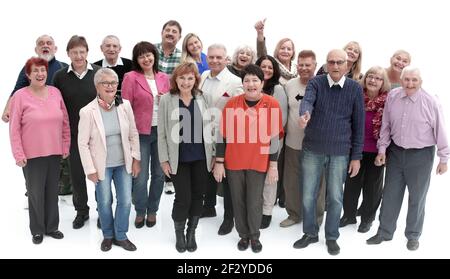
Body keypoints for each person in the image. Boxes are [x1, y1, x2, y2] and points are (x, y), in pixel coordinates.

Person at [366, 66, 449, 251]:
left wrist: (444, 158)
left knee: (417, 197)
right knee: (390, 194)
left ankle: (413, 235)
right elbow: (386, 125)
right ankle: (384, 231)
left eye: (414, 80)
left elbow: (441, 131)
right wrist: (382, 150)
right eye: (407, 80)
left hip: (421, 155)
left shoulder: (431, 102)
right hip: (395, 152)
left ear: (420, 82)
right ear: (401, 80)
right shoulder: (393, 96)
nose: (410, 84)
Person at [294, 49, 364, 256]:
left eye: (339, 62)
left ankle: (331, 236)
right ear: (326, 64)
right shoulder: (316, 83)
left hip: (340, 152)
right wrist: (304, 114)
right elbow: (308, 101)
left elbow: (358, 125)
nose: (335, 66)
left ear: (347, 66)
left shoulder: (354, 89)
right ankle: (310, 233)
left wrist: (356, 157)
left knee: (335, 197)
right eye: (331, 62)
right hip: (313, 149)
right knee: (308, 195)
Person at [213, 64, 284, 253]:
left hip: (258, 161)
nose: (251, 84)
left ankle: (254, 236)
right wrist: (219, 162)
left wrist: (273, 165)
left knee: (254, 200)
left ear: (262, 83)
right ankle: (242, 235)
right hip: (234, 161)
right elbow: (223, 136)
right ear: (242, 83)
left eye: (255, 80)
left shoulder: (272, 104)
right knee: (238, 200)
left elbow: (274, 138)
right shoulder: (232, 104)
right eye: (247, 80)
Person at [78, 68, 141, 252]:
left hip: (124, 164)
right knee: (104, 202)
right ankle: (107, 235)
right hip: (101, 166)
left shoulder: (125, 105)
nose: (111, 86)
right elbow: (82, 144)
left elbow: (133, 133)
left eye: (114, 83)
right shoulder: (87, 111)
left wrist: (136, 158)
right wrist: (90, 169)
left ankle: (120, 236)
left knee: (126, 201)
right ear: (97, 86)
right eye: (106, 83)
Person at [9, 57, 70, 244]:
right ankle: (37, 229)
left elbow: (65, 121)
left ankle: (52, 227)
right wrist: (18, 154)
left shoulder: (55, 92)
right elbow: (14, 128)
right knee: (35, 193)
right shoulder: (19, 96)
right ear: (28, 75)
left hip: (54, 151)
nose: (40, 74)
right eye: (35, 71)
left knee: (53, 191)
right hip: (31, 155)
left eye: (43, 70)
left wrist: (65, 145)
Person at [2, 35, 71, 197]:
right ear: (36, 49)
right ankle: (33, 192)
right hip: (36, 126)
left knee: (62, 162)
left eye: (49, 43)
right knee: (35, 166)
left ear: (55, 48)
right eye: (41, 44)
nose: (45, 46)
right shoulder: (28, 69)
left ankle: (64, 192)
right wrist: (7, 109)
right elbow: (17, 90)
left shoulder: (64, 67)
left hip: (58, 122)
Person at [158, 62, 214, 253]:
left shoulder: (204, 97)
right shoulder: (167, 99)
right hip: (178, 158)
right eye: (182, 77)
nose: (186, 81)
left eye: (190, 78)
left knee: (199, 195)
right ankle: (179, 233)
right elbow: (162, 133)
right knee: (183, 197)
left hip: (201, 157)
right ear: (175, 79)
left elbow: (211, 129)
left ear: (195, 80)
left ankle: (191, 233)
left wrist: (214, 155)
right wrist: (164, 159)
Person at [53, 35, 101, 229]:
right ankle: (81, 212)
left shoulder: (98, 73)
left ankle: (103, 212)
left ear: (87, 52)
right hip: (73, 135)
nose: (79, 55)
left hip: (97, 135)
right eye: (74, 52)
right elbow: (55, 105)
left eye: (82, 51)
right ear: (68, 54)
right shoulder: (60, 77)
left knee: (100, 176)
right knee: (77, 176)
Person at [122, 41, 170, 229]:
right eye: (141, 56)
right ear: (137, 59)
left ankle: (153, 210)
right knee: (140, 176)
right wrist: (127, 135)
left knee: (159, 175)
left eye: (149, 54)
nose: (146, 58)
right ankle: (140, 210)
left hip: (162, 132)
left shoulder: (164, 77)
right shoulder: (130, 77)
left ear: (154, 56)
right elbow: (125, 108)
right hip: (140, 133)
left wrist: (164, 99)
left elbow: (172, 103)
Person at [199, 43, 243, 236]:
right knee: (207, 172)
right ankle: (208, 207)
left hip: (225, 135)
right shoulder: (202, 76)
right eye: (211, 57)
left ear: (226, 59)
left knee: (225, 178)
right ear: (206, 59)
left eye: (219, 57)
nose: (215, 60)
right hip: (202, 133)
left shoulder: (234, 81)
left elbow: (241, 110)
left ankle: (228, 218)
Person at [340, 66, 390, 233]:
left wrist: (385, 151)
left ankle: (367, 219)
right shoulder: (356, 96)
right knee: (351, 183)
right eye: (370, 76)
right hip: (355, 149)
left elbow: (391, 126)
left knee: (372, 187)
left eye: (378, 78)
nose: (373, 80)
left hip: (377, 150)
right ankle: (348, 215)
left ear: (383, 82)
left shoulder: (388, 101)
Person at [281, 50, 326, 228]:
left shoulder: (323, 85)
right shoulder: (289, 85)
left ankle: (315, 217)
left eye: (308, 65)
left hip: (316, 145)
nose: (304, 68)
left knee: (317, 183)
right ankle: (294, 214)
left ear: (315, 65)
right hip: (293, 143)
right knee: (291, 181)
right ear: (296, 66)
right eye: (301, 64)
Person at [254, 55, 287, 229]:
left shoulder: (278, 90)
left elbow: (280, 120)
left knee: (269, 175)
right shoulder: (250, 87)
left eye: (270, 67)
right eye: (263, 66)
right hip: (251, 141)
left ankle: (267, 211)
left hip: (272, 139)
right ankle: (255, 207)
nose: (266, 70)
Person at [155, 20, 183, 195]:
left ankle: (169, 178)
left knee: (170, 138)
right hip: (149, 103)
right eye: (168, 30)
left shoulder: (181, 57)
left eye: (174, 31)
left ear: (179, 37)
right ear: (162, 32)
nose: (170, 33)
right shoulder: (151, 51)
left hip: (171, 102)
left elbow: (183, 80)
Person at [254, 18, 297, 85]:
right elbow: (262, 54)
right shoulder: (272, 65)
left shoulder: (298, 69)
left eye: (289, 49)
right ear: (277, 50)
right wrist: (260, 33)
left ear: (293, 52)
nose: (285, 51)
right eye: (282, 48)